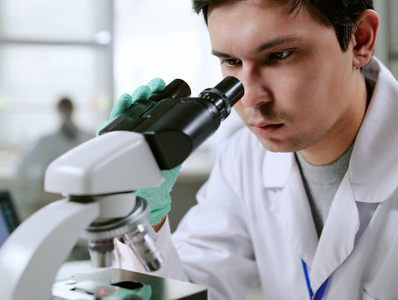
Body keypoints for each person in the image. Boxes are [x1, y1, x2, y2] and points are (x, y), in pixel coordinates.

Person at [107, 1, 398, 299]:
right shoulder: (243, 157)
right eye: (231, 62)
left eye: (279, 55)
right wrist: (145, 217)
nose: (250, 99)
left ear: (360, 39)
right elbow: (189, 290)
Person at [17, 97, 93, 217]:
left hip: (77, 203)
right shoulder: (45, 141)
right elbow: (21, 169)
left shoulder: (89, 137)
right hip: (55, 202)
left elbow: (21, 169)